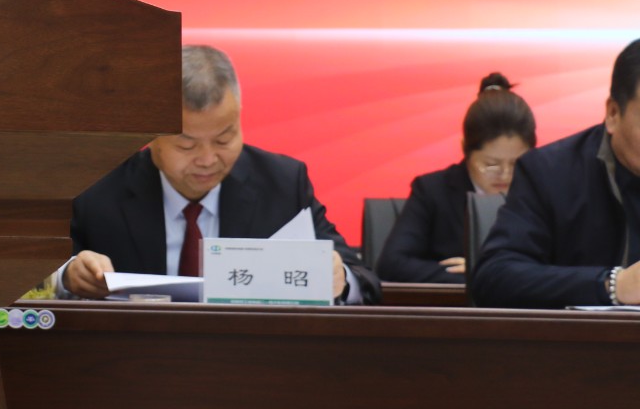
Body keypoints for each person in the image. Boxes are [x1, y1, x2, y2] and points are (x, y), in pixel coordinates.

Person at [59, 45, 380, 304]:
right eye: (187, 145)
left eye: (224, 139)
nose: (208, 159)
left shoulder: (282, 182)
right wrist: (68, 275)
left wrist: (339, 278)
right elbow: (43, 270)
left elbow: (363, 279)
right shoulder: (96, 184)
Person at [473, 39, 640, 309]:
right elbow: (494, 277)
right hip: (586, 335)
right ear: (613, 113)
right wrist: (613, 285)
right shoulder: (549, 173)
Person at [376, 74, 537, 283]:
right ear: (465, 150)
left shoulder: (542, 192)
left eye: (516, 163)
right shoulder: (433, 191)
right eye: (491, 164)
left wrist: (488, 270)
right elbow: (392, 264)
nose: (505, 174)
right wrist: (474, 276)